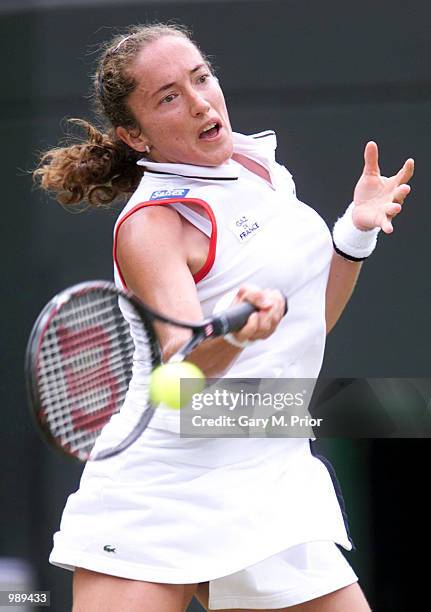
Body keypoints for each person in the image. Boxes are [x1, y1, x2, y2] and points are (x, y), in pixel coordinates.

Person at [34, 23, 414, 612]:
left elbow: (309, 323)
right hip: (158, 492)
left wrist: (355, 232)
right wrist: (236, 335)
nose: (201, 102)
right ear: (133, 134)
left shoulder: (255, 167)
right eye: (168, 97)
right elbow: (183, 382)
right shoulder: (152, 227)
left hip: (268, 476)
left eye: (201, 77)